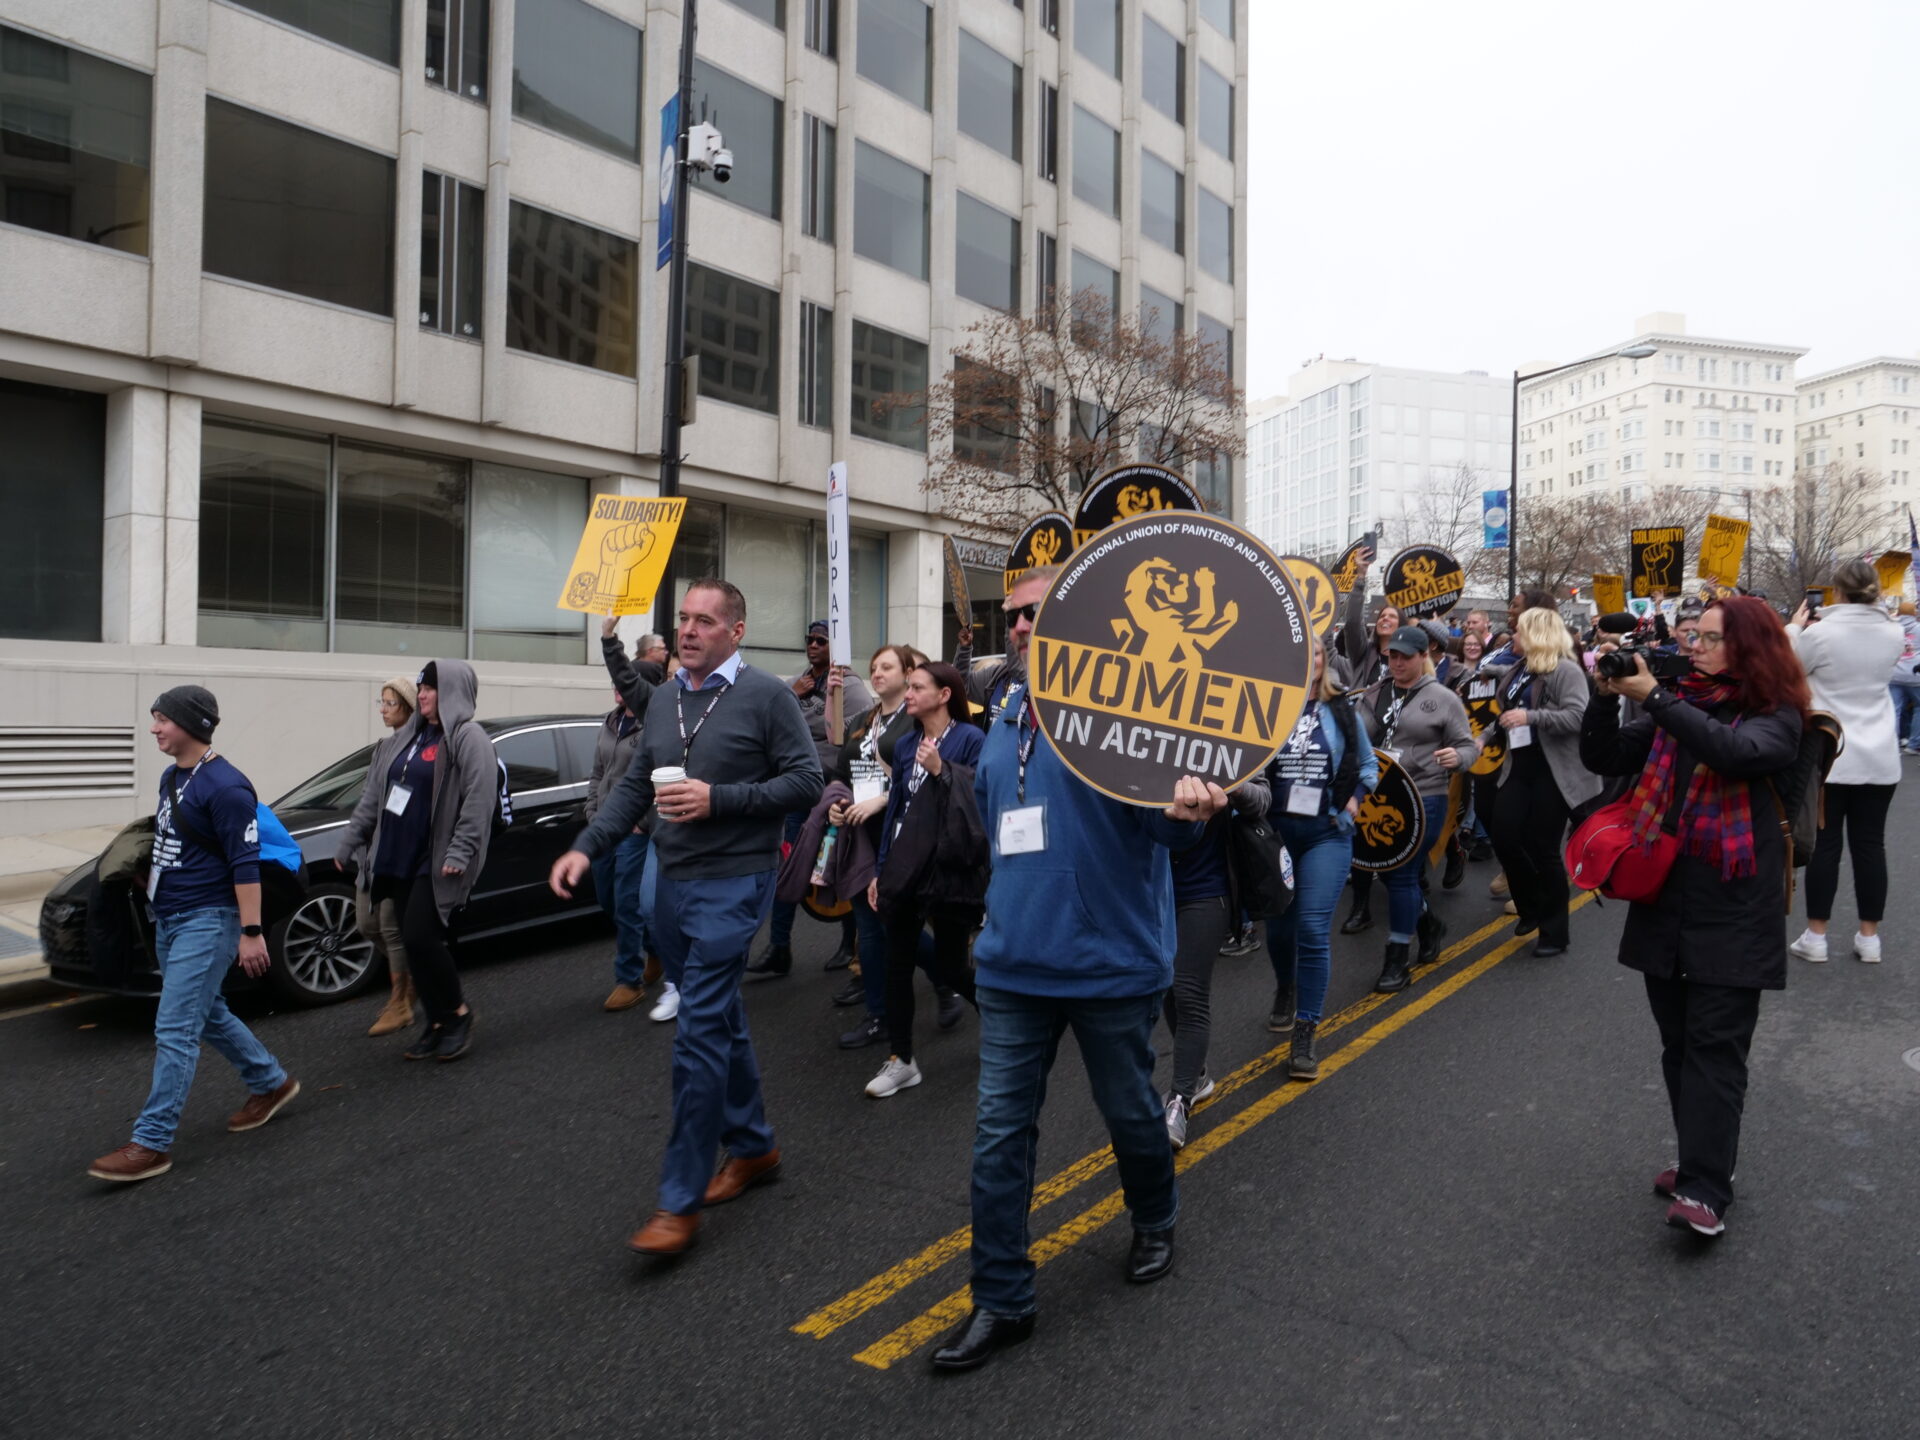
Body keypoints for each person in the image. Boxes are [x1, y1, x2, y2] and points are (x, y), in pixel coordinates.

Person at [929, 567, 1228, 1372]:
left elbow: (1168, 832)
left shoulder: (1128, 710)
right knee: (998, 1139)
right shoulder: (1006, 712)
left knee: (1130, 1112)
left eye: (1042, 613)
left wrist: (1184, 813)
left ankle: (1155, 1214)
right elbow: (1001, 821)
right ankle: (1001, 1299)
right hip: (1014, 963)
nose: (1024, 627)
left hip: (1110, 965)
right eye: (1017, 616)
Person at [550, 578, 823, 1256]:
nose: (691, 630)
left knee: (698, 1031)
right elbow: (636, 785)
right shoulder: (668, 697)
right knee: (721, 1017)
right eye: (684, 619)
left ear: (736, 630)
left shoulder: (767, 696)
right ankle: (755, 1147)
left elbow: (806, 782)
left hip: (734, 883)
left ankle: (678, 1202)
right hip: (669, 881)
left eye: (706, 620)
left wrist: (719, 799)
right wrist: (586, 847)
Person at [1580, 597, 1806, 1238]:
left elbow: (1734, 753)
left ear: (1750, 649)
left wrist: (1656, 696)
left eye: (1709, 638)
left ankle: (1708, 1189)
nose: (1695, 646)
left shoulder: (1777, 715)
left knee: (1715, 1048)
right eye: (1693, 635)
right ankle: (1697, 1162)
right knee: (1679, 1043)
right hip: (1668, 899)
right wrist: (1604, 695)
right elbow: (1603, 757)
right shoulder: (1685, 702)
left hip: (1735, 906)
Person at [89, 687, 300, 1183]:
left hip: (209, 920)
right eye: (154, 719)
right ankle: (270, 1082)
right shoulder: (174, 777)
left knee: (175, 1029)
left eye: (162, 719)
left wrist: (251, 932)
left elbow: (245, 866)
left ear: (191, 725)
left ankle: (151, 1142)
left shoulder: (227, 788)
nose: (154, 728)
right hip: (170, 917)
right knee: (206, 1014)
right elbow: (176, 840)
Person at [334, 661, 499, 1061]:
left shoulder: (468, 737)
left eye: (430, 689)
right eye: (421, 688)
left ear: (453, 692)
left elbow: (479, 800)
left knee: (422, 937)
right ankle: (437, 1021)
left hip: (437, 857)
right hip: (399, 856)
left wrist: (461, 850)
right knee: (411, 942)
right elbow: (374, 793)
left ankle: (457, 1013)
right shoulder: (410, 736)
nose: (421, 694)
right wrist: (351, 840)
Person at [864, 661, 985, 1098]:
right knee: (897, 964)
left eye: (918, 687)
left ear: (944, 694)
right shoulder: (905, 744)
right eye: (909, 686)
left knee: (953, 965)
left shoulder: (970, 739)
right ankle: (902, 1059)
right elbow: (896, 809)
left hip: (949, 867)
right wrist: (881, 870)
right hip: (905, 864)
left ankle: (998, 1015)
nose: (909, 694)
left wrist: (941, 770)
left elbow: (979, 799)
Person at [1265, 636, 1377, 1082]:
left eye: (1314, 653)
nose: (1307, 661)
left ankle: (1306, 1029)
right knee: (1279, 925)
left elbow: (1368, 766)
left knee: (1312, 928)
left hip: (1326, 835)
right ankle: (1285, 987)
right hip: (1275, 836)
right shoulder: (1267, 708)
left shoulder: (1344, 711)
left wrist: (1353, 804)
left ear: (1323, 660)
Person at [1786, 560, 1904, 964]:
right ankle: (1869, 938)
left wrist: (1794, 627)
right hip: (1879, 750)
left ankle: (1816, 936)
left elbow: (1790, 669)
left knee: (1826, 845)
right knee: (1871, 845)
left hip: (1832, 751)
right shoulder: (1893, 631)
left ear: (1837, 591)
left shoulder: (1820, 634)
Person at [751, 620, 871, 977]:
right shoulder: (801, 682)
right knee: (788, 867)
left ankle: (852, 942)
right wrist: (797, 695)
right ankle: (779, 947)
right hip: (796, 788)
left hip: (832, 790)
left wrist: (815, 716)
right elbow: (778, 721)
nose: (814, 645)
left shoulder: (851, 687)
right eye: (810, 640)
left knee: (840, 865)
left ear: (836, 649)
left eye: (822, 640)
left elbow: (853, 732)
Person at [1162, 750, 1270, 1143]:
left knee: (1189, 990)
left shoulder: (1231, 735)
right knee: (1166, 987)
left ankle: (1179, 1101)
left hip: (1205, 890)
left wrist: (1234, 786)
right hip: (1153, 889)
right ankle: (1198, 1075)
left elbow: (1262, 799)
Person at [826, 644, 926, 1045]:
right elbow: (840, 768)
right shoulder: (863, 720)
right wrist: (838, 804)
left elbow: (923, 775)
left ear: (907, 673)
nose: (878, 673)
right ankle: (878, 1015)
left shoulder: (916, 720)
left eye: (887, 666)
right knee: (868, 929)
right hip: (861, 835)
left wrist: (884, 799)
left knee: (900, 927)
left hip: (900, 833)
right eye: (874, 667)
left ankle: (951, 981)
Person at [1369, 626, 1476, 994]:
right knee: (1387, 871)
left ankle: (1396, 958)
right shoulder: (1374, 693)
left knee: (1400, 874)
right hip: (1377, 797)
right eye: (1392, 656)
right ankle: (1428, 924)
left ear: (1422, 657)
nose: (1397, 662)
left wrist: (1457, 756)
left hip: (1424, 796)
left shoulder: (1443, 698)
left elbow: (1469, 748)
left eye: (1405, 657)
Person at [1486, 607, 1599, 958]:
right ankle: (1530, 905)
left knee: (1543, 848)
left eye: (1518, 631)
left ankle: (1554, 932)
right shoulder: (1519, 670)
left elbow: (1579, 716)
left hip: (1555, 772)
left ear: (1536, 635)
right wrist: (1484, 737)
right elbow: (1507, 715)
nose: (1512, 637)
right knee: (1503, 833)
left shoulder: (1566, 670)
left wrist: (1531, 716)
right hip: (1520, 765)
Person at [587, 687, 660, 1014]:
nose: (616, 687)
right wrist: (592, 812)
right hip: (605, 826)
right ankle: (655, 948)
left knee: (627, 901)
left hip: (633, 830)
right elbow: (598, 772)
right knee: (608, 898)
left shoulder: (653, 727)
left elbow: (660, 779)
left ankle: (629, 980)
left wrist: (642, 822)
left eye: (622, 681)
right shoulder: (611, 721)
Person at [353, 676, 417, 1037]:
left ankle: (400, 1002)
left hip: (397, 851)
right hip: (371, 850)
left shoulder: (420, 748)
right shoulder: (382, 748)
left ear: (408, 707)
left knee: (392, 927)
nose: (383, 709)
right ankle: (410, 985)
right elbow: (370, 795)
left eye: (389, 703)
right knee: (367, 924)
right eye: (381, 702)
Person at [1888, 600, 1920, 754]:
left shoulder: (1893, 628)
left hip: (1895, 674)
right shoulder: (1919, 628)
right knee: (1918, 708)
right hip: (1915, 676)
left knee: (1894, 710)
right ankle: (1913, 744)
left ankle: (1892, 744)